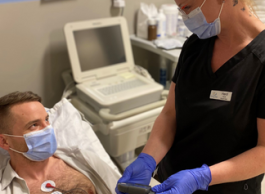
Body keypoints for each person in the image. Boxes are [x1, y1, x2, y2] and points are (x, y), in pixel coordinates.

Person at [116, 0, 265, 194]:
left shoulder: (260, 61)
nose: (184, 17)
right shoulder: (195, 46)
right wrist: (147, 159)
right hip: (170, 183)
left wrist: (202, 177)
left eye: (187, 7)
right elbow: (170, 114)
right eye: (179, 9)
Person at [0, 91, 120, 194]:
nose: (47, 128)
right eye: (34, 125)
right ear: (4, 141)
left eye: (47, 119)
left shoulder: (82, 159)